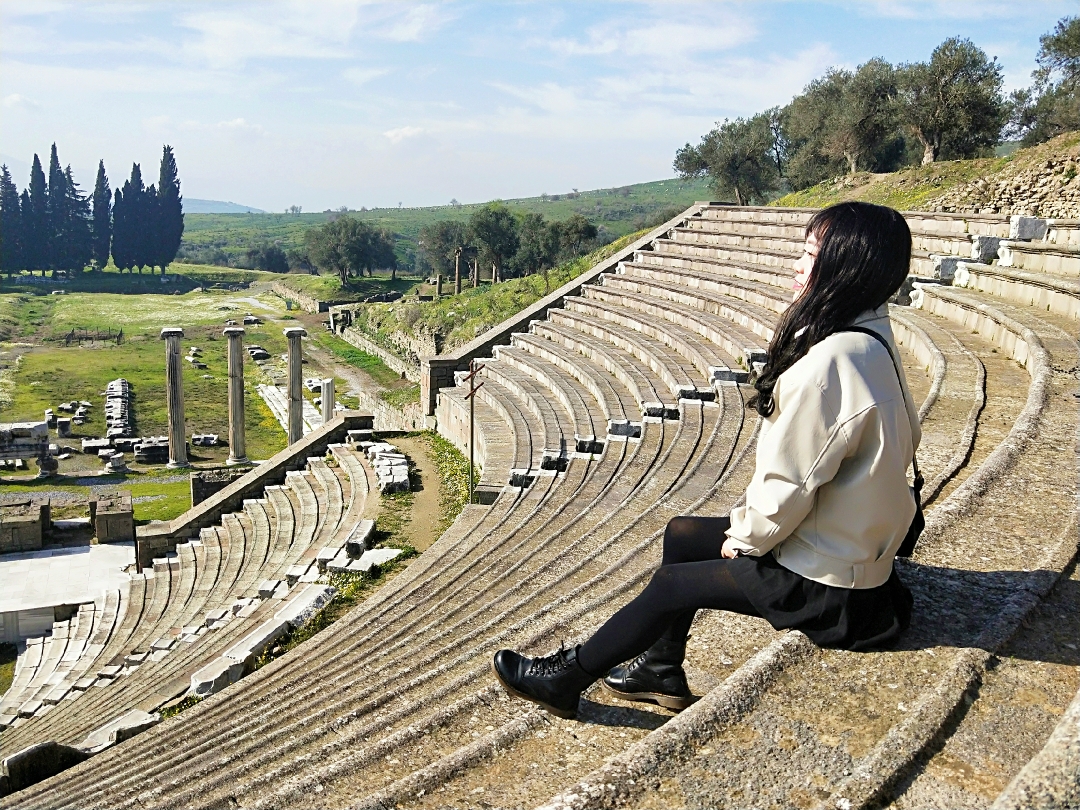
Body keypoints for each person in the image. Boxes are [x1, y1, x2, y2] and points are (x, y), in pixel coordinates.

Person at [492, 201, 920, 720]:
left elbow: (790, 482)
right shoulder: (873, 336)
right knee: (681, 533)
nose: (797, 267)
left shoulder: (829, 365)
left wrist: (743, 542)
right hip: (850, 550)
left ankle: (566, 678)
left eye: (809, 255)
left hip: (833, 587)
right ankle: (660, 668)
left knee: (673, 586)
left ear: (846, 267)